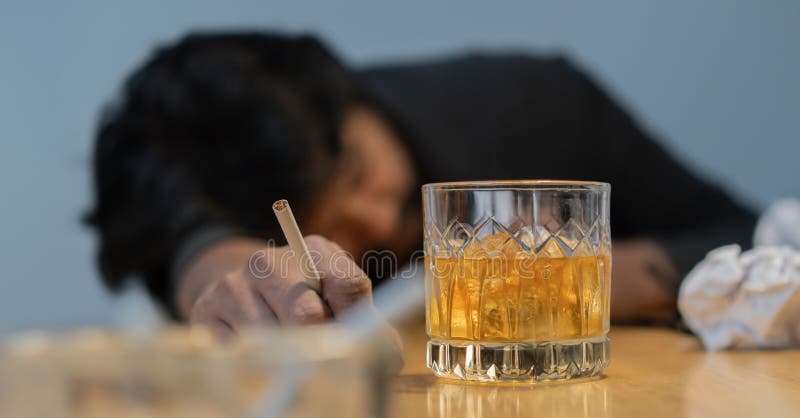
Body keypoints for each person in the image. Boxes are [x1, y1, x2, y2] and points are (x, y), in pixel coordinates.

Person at [85, 32, 756, 336]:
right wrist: (226, 272)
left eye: (354, 170)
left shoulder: (538, 103)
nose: (374, 221)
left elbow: (753, 238)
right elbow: (198, 245)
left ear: (352, 96)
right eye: (332, 226)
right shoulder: (202, 208)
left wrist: (597, 280)